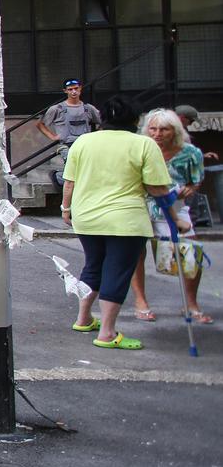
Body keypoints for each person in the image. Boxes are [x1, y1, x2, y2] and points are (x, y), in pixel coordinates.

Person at [61, 95, 171, 350]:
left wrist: (66, 210)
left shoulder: (83, 142)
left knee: (93, 266)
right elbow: (157, 188)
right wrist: (174, 216)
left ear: (103, 118)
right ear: (135, 119)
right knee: (117, 271)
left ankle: (84, 318)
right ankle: (107, 333)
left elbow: (70, 182)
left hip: (87, 217)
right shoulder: (143, 144)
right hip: (126, 220)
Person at [127, 108, 209, 323]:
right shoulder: (140, 147)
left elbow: (196, 179)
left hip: (175, 206)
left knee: (191, 252)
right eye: (152, 129)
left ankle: (191, 304)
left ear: (175, 130)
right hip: (141, 204)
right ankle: (140, 301)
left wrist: (192, 188)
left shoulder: (190, 152)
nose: (157, 134)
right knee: (136, 252)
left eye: (164, 129)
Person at [39, 78, 101, 184]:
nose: (74, 92)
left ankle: (60, 177)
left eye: (76, 88)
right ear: (65, 91)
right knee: (73, 169)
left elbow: (102, 121)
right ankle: (57, 176)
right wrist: (53, 137)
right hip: (67, 145)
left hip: (85, 145)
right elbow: (41, 124)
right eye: (70, 89)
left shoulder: (88, 108)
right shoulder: (57, 109)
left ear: (80, 89)